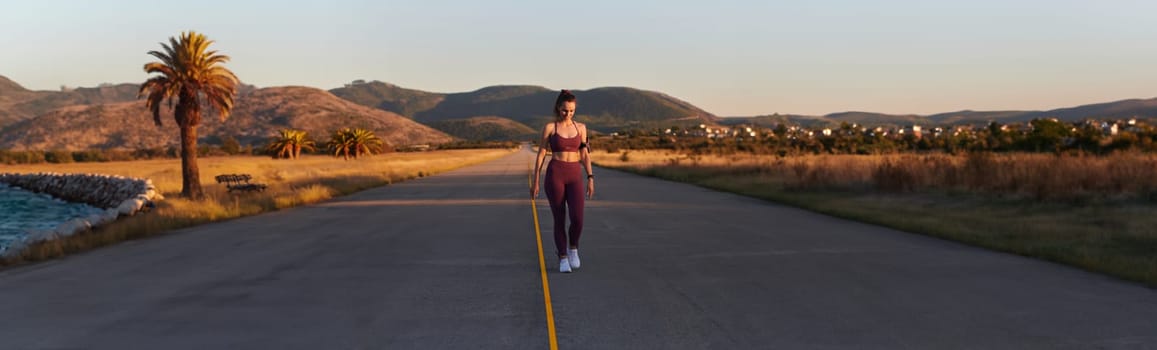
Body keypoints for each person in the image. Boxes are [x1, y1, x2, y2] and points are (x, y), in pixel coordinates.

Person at [531, 89, 594, 273]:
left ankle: (573, 248)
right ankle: (562, 257)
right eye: (565, 110)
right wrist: (535, 181)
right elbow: (542, 153)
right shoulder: (550, 128)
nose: (568, 114)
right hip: (555, 174)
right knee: (559, 218)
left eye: (572, 111)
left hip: (575, 174)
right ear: (558, 108)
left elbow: (584, 154)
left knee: (578, 218)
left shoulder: (581, 128)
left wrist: (590, 177)